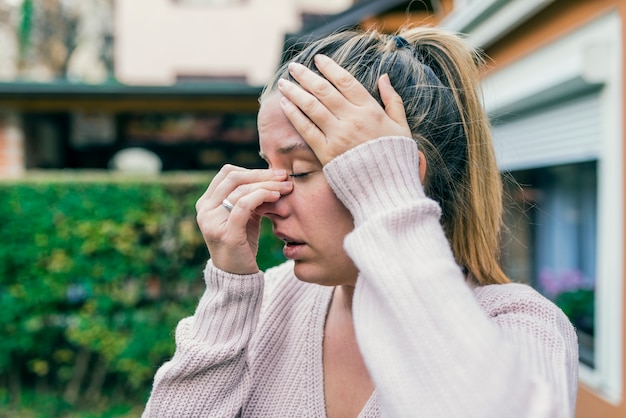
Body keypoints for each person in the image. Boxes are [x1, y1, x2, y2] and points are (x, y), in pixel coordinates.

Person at [142, 26, 579, 417]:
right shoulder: (267, 302)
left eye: (299, 171)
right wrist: (230, 294)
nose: (267, 200)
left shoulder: (520, 326)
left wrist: (388, 206)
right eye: (267, 167)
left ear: (394, 175)